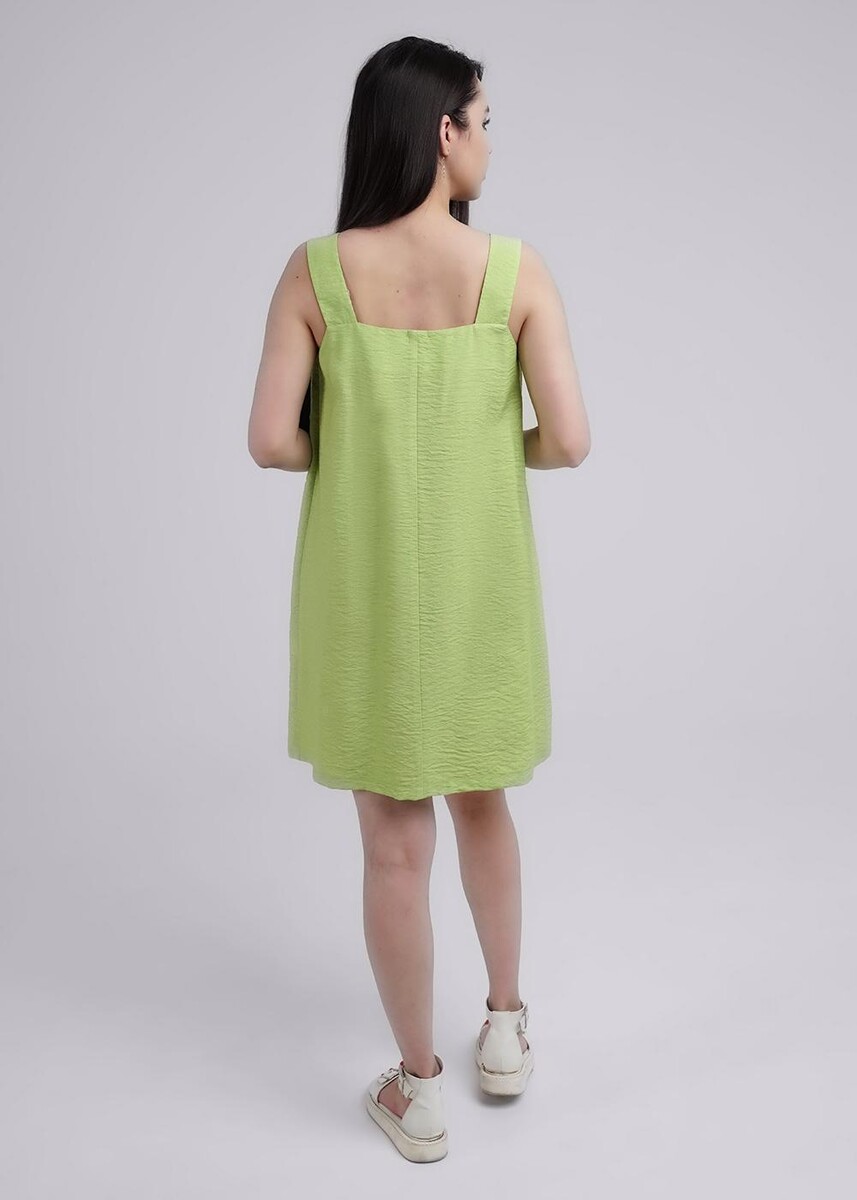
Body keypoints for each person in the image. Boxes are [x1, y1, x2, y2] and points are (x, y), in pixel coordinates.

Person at [248, 35, 590, 1162]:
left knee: (392, 843)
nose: (489, 141)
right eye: (483, 120)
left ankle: (418, 1088)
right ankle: (505, 1026)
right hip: (478, 590)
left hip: (365, 599)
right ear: (442, 131)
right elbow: (568, 440)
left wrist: (357, 445)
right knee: (483, 803)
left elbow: (269, 440)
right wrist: (486, 448)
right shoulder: (514, 272)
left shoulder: (315, 272)